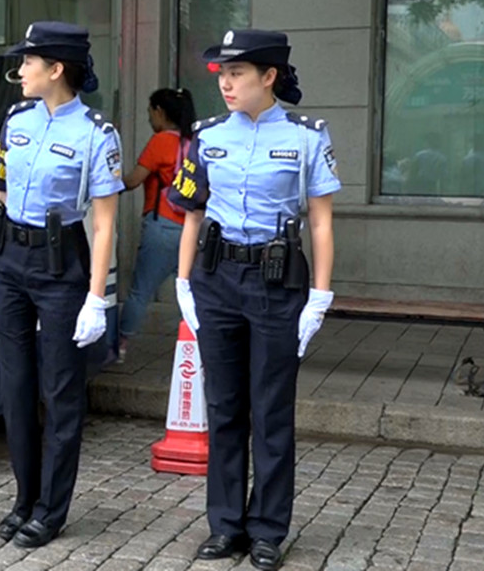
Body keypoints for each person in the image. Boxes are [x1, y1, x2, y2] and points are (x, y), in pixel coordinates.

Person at [169, 29, 340, 571]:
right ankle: (225, 526)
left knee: (269, 412)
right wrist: (183, 283)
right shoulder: (206, 134)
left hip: (275, 282)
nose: (226, 83)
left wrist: (320, 297)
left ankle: (267, 529)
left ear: (269, 76)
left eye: (238, 73)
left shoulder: (307, 137)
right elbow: (193, 213)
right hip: (216, 278)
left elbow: (321, 220)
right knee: (222, 408)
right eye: (222, 72)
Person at [0, 21, 122, 548]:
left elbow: (103, 222)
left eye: (29, 62)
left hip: (61, 266)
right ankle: (24, 497)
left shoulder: (98, 135)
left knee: (60, 392)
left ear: (56, 69)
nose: (20, 71)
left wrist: (96, 298)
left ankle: (52, 509)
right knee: (15, 389)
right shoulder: (16, 120)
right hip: (10, 257)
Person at [114, 87, 197, 363]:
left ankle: (120, 345)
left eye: (151, 112)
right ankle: (202, 350)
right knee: (194, 294)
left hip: (162, 229)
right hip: (192, 230)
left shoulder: (161, 141)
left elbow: (133, 180)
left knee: (140, 292)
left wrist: (105, 185)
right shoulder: (194, 142)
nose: (150, 118)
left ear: (160, 111)